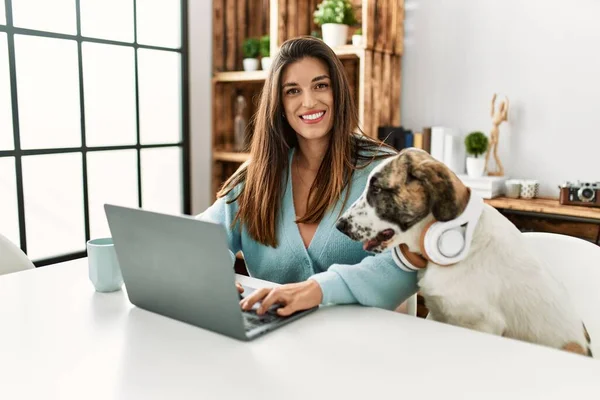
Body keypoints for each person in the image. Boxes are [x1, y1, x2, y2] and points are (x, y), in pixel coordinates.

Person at [197, 36, 417, 317]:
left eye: (320, 85)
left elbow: (406, 262)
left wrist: (317, 290)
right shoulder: (256, 177)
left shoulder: (385, 171)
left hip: (362, 348)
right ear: (278, 102)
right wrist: (213, 274)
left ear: (337, 91)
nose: (309, 101)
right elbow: (202, 239)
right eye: (292, 91)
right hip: (272, 345)